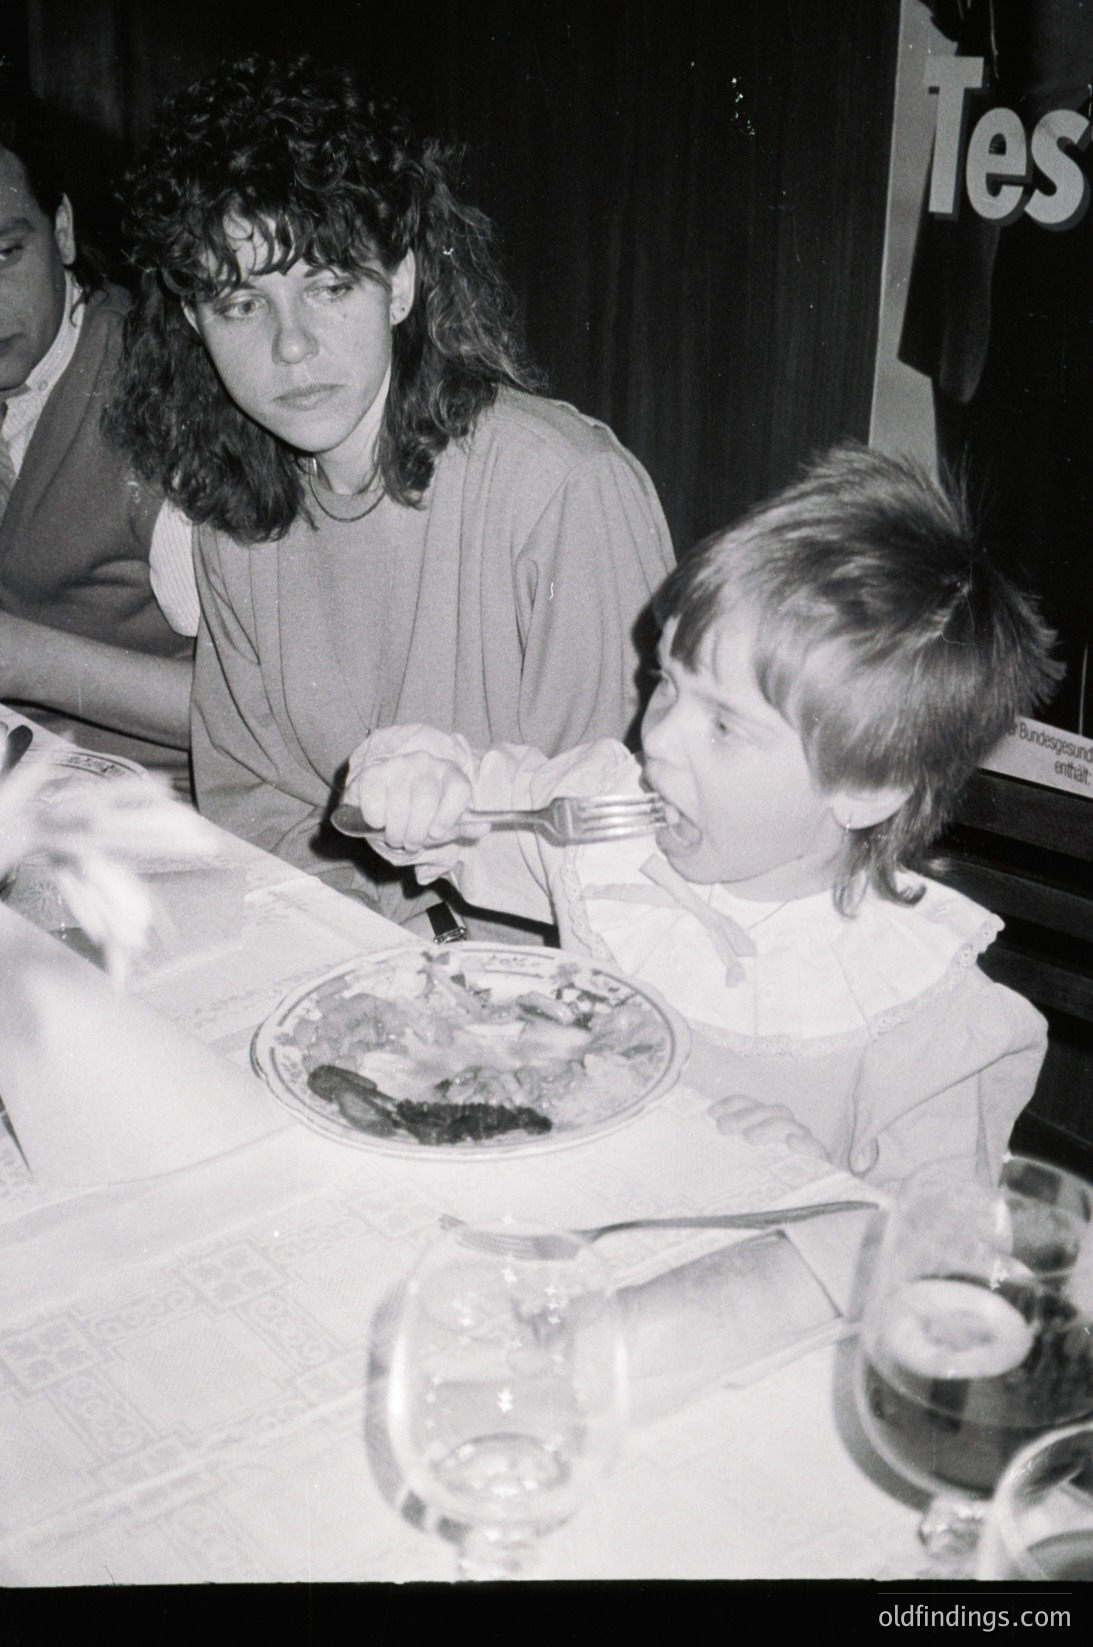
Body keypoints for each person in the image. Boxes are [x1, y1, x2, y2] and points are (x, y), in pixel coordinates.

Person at [347, 443, 1060, 1188]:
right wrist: (411, 781)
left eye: (724, 724)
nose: (656, 737)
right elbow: (450, 800)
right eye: (666, 682)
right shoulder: (602, 825)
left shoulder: (922, 1018)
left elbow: (933, 1269)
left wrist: (816, 1187)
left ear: (867, 784)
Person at [107, 54, 674, 935]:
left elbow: (620, 849)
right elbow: (251, 809)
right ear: (192, 319)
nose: (291, 347)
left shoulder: (560, 491)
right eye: (241, 304)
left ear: (401, 282)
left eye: (329, 286)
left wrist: (434, 947)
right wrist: (377, 953)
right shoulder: (233, 514)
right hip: (340, 963)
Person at [0, 89, 194, 782]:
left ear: (61, 233)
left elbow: (259, 710)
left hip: (171, 816)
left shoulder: (164, 390)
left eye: (3, 253)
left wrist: (25, 660)